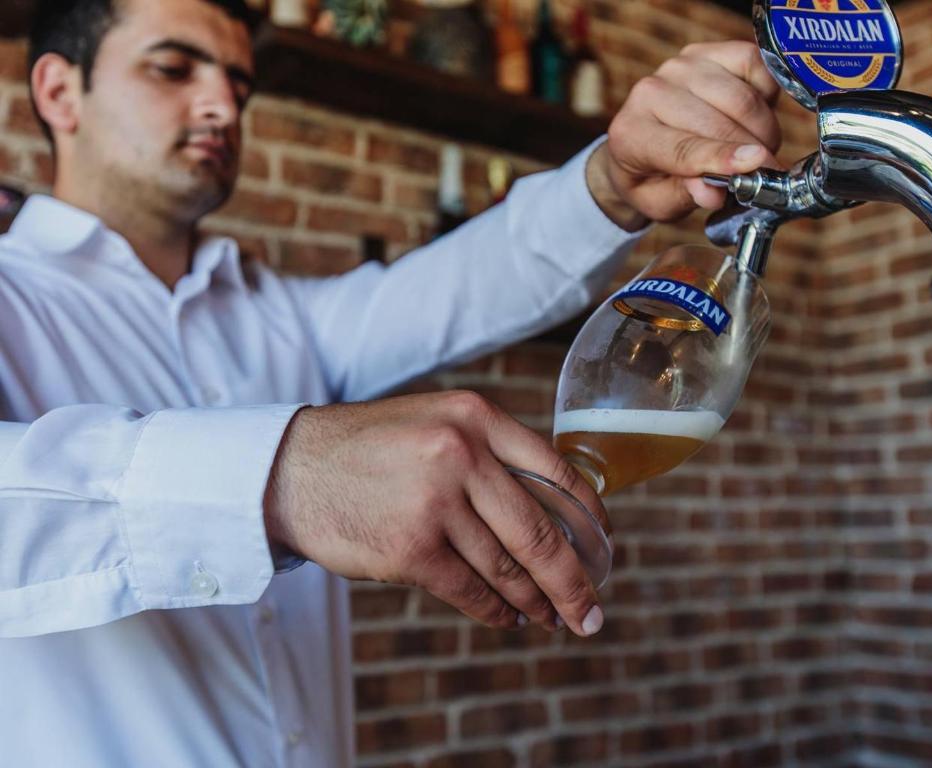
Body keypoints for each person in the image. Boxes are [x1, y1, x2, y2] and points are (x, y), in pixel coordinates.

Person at [0, 0, 783, 764]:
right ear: (60, 91)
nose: (221, 106)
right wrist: (283, 477)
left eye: (237, 84)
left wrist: (609, 182)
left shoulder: (280, 315)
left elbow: (457, 286)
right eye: (173, 68)